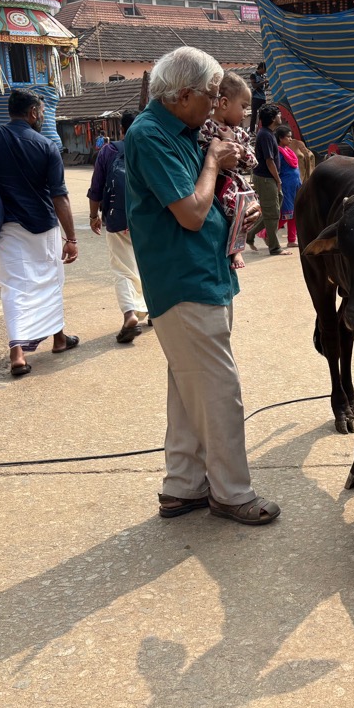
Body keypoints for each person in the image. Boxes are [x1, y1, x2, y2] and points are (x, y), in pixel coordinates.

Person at [124, 46, 278, 525]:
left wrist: (242, 213)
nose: (216, 105)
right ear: (182, 94)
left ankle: (183, 486)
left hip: (206, 273)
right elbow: (191, 213)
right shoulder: (151, 135)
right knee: (218, 389)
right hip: (183, 278)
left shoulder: (184, 130)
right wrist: (212, 162)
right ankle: (231, 493)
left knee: (189, 386)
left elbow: (208, 204)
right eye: (211, 96)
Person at [0, 89, 80, 378]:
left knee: (14, 286)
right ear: (33, 112)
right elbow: (60, 196)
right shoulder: (46, 145)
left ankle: (28, 349)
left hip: (3, 226)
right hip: (42, 226)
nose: (42, 116)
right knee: (51, 281)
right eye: (41, 112)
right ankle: (40, 344)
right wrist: (71, 238)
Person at [88, 110, 149, 343]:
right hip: (147, 219)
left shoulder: (109, 150)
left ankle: (130, 314)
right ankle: (154, 310)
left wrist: (94, 216)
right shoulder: (151, 148)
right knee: (148, 264)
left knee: (123, 267)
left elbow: (96, 188)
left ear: (121, 130)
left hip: (117, 218)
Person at [201, 71, 257, 271]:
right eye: (243, 107)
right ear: (223, 103)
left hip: (235, 183)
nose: (244, 114)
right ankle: (233, 248)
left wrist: (239, 148)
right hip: (214, 182)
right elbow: (203, 153)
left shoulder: (241, 134)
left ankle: (237, 247)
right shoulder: (205, 127)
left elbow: (252, 162)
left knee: (247, 207)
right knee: (229, 207)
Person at [245, 104, 291, 255]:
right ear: (272, 118)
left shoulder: (269, 133)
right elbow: (269, 160)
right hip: (266, 179)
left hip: (269, 178)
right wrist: (278, 180)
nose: (281, 117)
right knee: (273, 214)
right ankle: (275, 247)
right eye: (278, 114)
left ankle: (250, 235)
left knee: (271, 211)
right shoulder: (264, 135)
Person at [276, 125, 302, 247]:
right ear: (281, 138)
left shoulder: (288, 150)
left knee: (295, 212)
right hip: (286, 185)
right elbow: (276, 169)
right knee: (287, 213)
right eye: (288, 137)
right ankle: (266, 234)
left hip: (295, 184)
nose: (291, 139)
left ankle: (292, 240)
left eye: (291, 137)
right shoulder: (278, 153)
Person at [249, 63, 268, 132]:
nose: (265, 71)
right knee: (254, 114)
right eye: (264, 70)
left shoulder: (263, 76)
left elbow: (264, 88)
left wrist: (266, 84)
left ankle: (261, 129)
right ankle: (252, 130)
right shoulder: (253, 75)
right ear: (261, 68)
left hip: (263, 98)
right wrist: (263, 82)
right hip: (255, 97)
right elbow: (254, 85)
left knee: (263, 114)